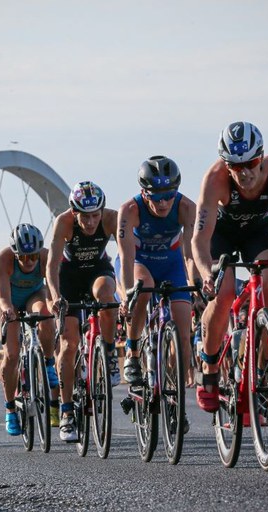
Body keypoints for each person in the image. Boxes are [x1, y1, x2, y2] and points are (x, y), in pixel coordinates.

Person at [191, 121, 268, 412]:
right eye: (235, 166)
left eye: (250, 163)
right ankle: (209, 367)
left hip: (259, 231)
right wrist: (206, 274)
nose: (244, 173)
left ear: (261, 156)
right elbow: (200, 238)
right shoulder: (214, 178)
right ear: (226, 165)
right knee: (224, 293)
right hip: (221, 234)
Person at [116, 156, 199, 388]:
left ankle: (172, 392)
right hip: (139, 261)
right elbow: (126, 257)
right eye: (155, 197)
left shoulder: (187, 208)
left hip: (171, 263)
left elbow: (190, 255)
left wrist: (196, 284)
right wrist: (127, 295)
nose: (163, 203)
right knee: (144, 287)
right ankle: (133, 353)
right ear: (144, 193)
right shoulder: (130, 210)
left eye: (169, 195)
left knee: (184, 335)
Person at [47, 181, 119, 442]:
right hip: (69, 278)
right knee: (69, 345)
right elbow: (51, 265)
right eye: (84, 217)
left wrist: (127, 292)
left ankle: (109, 352)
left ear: (102, 211)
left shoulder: (111, 218)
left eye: (94, 216)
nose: (90, 222)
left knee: (107, 296)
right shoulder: (64, 222)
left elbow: (125, 255)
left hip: (98, 271)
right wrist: (56, 296)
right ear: (74, 212)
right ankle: (67, 412)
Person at [0, 223, 60, 436]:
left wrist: (55, 304)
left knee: (46, 315)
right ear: (15, 254)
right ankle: (10, 409)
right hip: (9, 300)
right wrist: (7, 310)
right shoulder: (4, 259)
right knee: (11, 355)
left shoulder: (46, 257)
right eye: (22, 257)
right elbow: (3, 296)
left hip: (34, 295)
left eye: (32, 256)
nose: (29, 261)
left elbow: (52, 289)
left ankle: (48, 363)